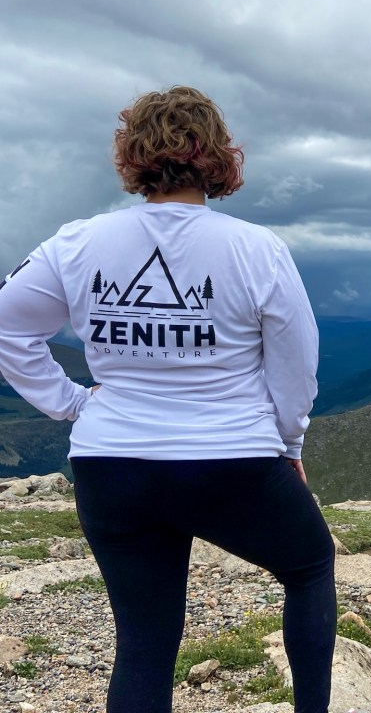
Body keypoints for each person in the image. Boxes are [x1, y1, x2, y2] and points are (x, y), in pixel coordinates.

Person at [0, 86, 336, 713]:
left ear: (131, 155)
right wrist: (288, 443)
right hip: (232, 462)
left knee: (146, 642)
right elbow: (297, 364)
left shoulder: (76, 242)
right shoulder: (254, 247)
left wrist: (72, 405)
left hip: (112, 466)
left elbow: (6, 324)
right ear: (218, 156)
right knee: (310, 566)